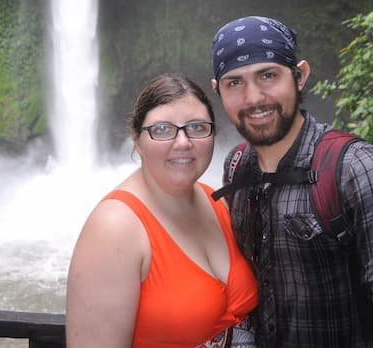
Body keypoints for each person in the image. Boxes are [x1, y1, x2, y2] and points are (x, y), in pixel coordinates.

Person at [210, 15, 373, 347]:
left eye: (268, 76)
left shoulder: (355, 169)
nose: (254, 98)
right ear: (217, 90)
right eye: (235, 83)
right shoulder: (236, 167)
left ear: (300, 76)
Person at [66, 73, 258, 348]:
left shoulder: (215, 200)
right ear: (137, 140)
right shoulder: (114, 228)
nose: (183, 142)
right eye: (163, 130)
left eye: (197, 127)